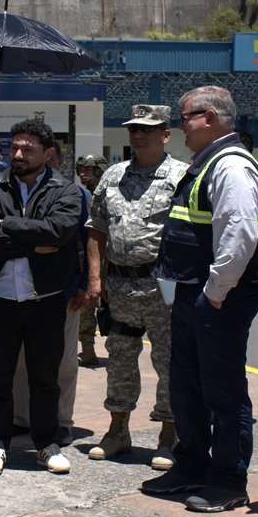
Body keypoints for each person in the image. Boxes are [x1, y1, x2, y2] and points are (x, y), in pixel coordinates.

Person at [140, 86, 258, 513]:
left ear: (209, 117)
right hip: (195, 294)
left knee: (223, 394)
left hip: (217, 299)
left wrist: (214, 293)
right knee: (187, 388)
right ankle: (191, 465)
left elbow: (240, 234)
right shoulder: (206, 164)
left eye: (185, 117)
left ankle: (229, 480)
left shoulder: (230, 166)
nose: (180, 127)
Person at [0, 118, 82, 476]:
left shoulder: (67, 190)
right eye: (15, 147)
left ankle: (46, 443)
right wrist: (35, 241)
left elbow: (60, 231)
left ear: (48, 154)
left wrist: (9, 226)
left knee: (45, 377)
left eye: (28, 149)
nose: (18, 154)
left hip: (45, 299)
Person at [84, 105, 187, 471]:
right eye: (133, 129)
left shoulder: (181, 176)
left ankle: (168, 436)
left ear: (165, 134)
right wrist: (96, 279)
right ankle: (118, 432)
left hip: (163, 287)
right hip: (120, 286)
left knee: (170, 363)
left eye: (147, 129)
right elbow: (96, 229)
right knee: (120, 359)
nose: (138, 135)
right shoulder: (112, 175)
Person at [74, 153, 108, 366]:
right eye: (81, 169)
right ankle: (88, 350)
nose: (83, 173)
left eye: (88, 169)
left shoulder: (109, 194)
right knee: (85, 308)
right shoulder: (80, 194)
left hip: (109, 259)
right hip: (86, 257)